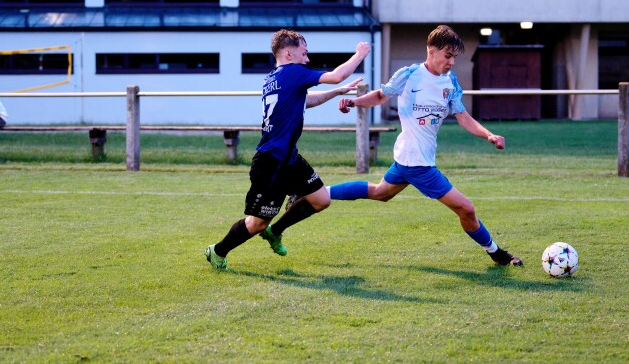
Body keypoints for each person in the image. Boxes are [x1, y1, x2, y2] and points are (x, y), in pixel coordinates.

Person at [329, 25, 523, 267]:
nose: (452, 62)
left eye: (454, 57)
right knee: (466, 209)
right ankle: (497, 254)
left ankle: (317, 193)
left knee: (380, 193)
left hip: (409, 158)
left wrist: (489, 135)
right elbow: (381, 95)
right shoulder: (409, 75)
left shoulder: (450, 81)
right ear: (431, 51)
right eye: (447, 56)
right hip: (418, 163)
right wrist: (354, 101)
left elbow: (462, 116)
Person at [205, 29, 370, 271]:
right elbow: (336, 75)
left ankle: (276, 231)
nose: (308, 59)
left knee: (321, 199)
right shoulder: (293, 72)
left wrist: (337, 92)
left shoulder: (275, 77)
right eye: (304, 53)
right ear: (289, 53)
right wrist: (360, 54)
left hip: (288, 158)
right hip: (271, 162)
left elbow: (306, 100)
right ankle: (217, 251)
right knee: (257, 223)